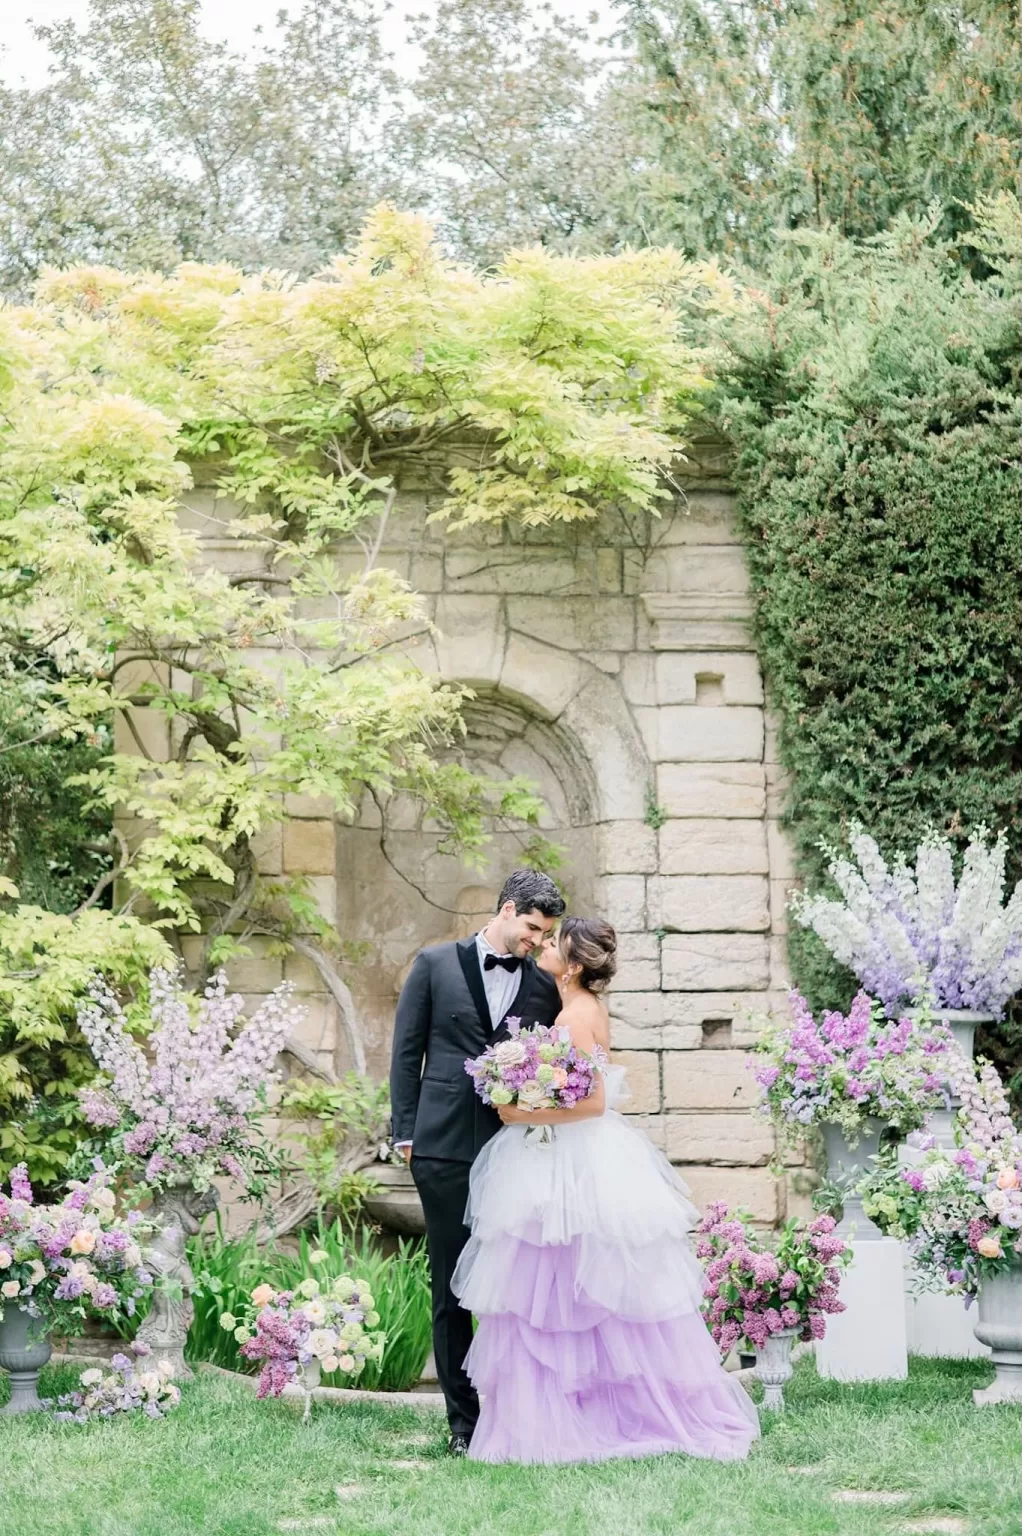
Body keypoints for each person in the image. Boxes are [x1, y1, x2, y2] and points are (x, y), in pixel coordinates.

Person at [451, 916, 761, 1464]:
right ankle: (592, 1409)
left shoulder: (573, 1016)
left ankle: (573, 1420)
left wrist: (516, 1109)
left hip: (574, 1160)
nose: (544, 945)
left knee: (555, 1293)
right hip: (580, 1154)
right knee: (580, 1291)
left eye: (555, 942)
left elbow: (591, 1103)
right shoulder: (584, 1009)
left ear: (571, 967)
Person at [389, 868, 565, 1455]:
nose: (538, 943)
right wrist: (405, 1133)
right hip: (439, 1149)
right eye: (534, 930)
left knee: (513, 1287)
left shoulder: (542, 986)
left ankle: (515, 1415)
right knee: (451, 1288)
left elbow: (552, 1066)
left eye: (544, 936)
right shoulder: (434, 965)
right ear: (509, 909)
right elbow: (406, 1051)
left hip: (510, 1152)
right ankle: (463, 1425)